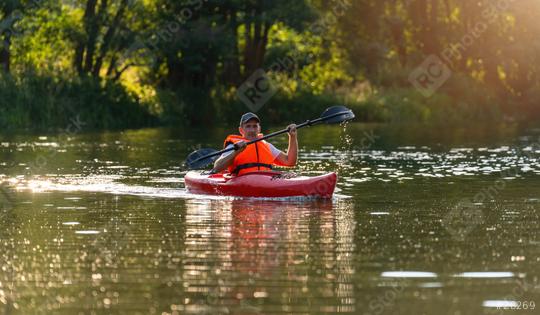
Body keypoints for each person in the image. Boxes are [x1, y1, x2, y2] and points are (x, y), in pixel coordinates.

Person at [213, 112, 297, 175]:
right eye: (248, 126)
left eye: (255, 126)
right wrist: (236, 152)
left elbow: (290, 162)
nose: (252, 130)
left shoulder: (267, 146)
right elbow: (216, 168)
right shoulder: (234, 146)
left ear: (259, 129)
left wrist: (292, 137)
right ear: (241, 130)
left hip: (266, 181)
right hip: (243, 183)